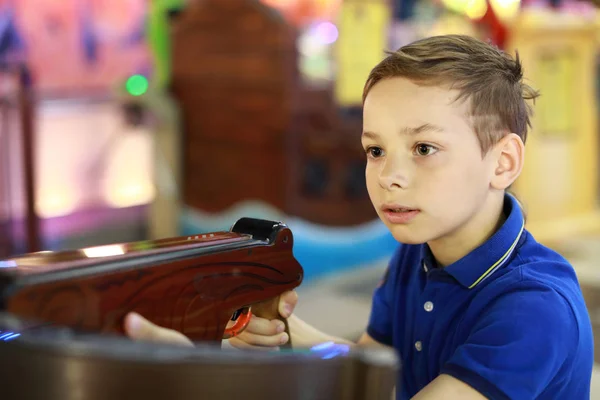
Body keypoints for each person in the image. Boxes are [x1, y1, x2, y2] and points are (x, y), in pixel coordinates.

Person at [124, 34, 595, 399]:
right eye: (375, 150)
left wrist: (199, 378)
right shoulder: (418, 255)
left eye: (424, 148)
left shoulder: (533, 305)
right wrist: (291, 334)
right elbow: (371, 374)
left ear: (503, 162)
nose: (389, 175)